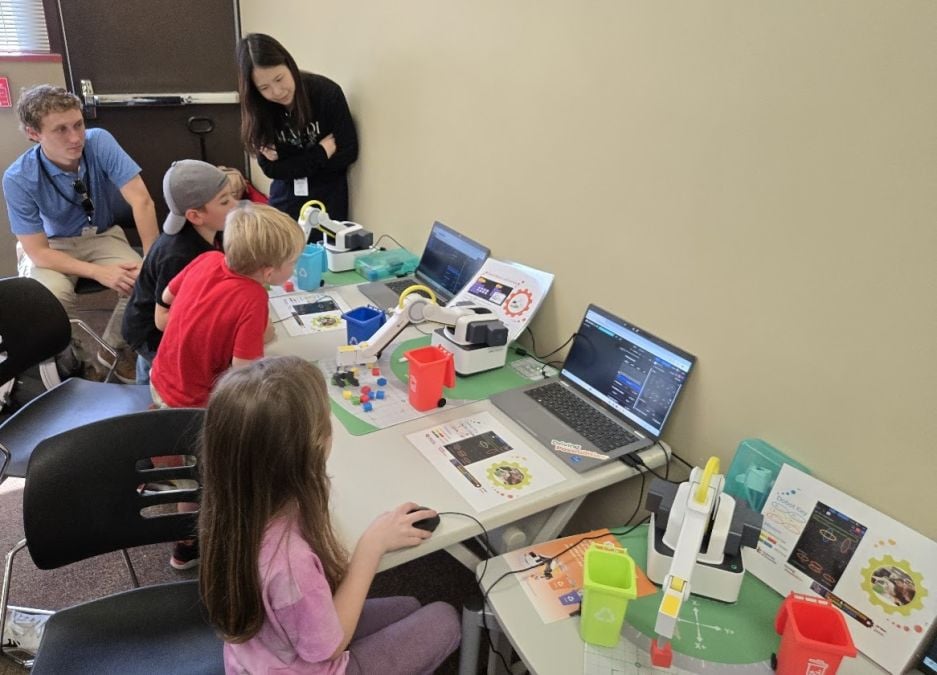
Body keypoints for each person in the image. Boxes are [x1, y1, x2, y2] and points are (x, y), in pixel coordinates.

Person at [199, 356, 461, 673]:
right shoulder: (291, 563)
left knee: (409, 606)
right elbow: (328, 648)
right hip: (317, 665)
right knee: (444, 617)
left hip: (257, 657)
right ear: (313, 449)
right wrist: (371, 546)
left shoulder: (233, 507)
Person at [3, 84, 159, 382]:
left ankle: (114, 350)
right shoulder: (18, 177)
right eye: (60, 130)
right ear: (33, 134)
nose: (76, 138)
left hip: (102, 235)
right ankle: (77, 360)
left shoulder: (99, 141)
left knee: (142, 281)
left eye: (78, 125)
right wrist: (99, 273)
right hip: (52, 246)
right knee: (51, 298)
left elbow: (142, 200)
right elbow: (38, 252)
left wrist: (152, 261)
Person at [149, 202, 304, 409]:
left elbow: (167, 296)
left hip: (159, 378)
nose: (295, 267)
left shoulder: (208, 257)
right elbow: (243, 373)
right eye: (293, 262)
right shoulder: (253, 298)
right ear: (268, 272)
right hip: (192, 404)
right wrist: (260, 336)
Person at [121, 160, 236, 384]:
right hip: (151, 333)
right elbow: (169, 319)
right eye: (224, 201)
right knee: (162, 378)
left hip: (155, 325)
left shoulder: (211, 229)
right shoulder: (179, 256)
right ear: (195, 216)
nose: (234, 205)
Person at [237, 33, 358, 229]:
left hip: (328, 199)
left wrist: (289, 162)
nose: (277, 92)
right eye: (265, 87)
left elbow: (347, 153)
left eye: (279, 78)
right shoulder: (259, 109)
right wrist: (320, 153)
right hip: (286, 198)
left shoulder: (326, 93)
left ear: (289, 65)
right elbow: (271, 169)